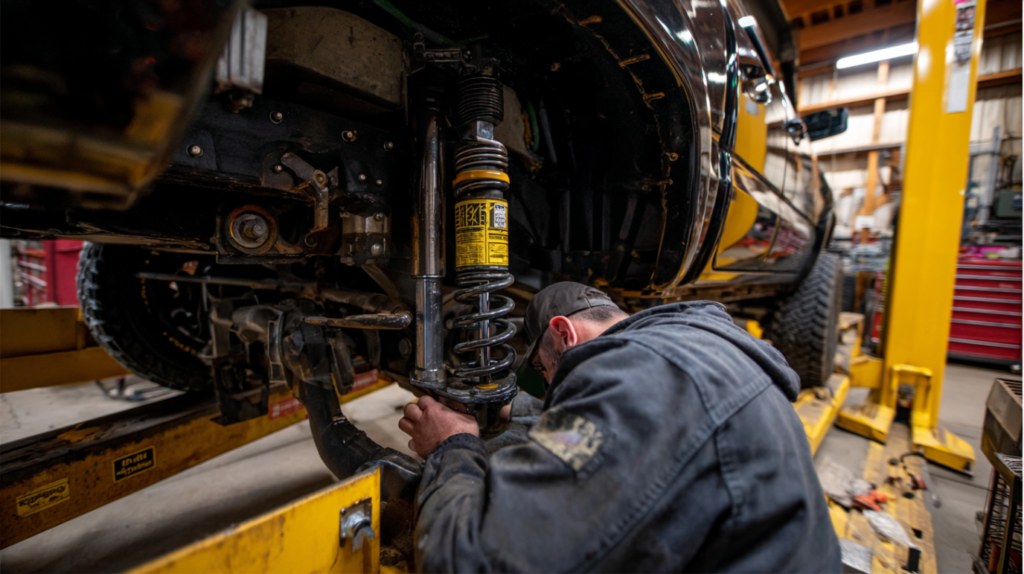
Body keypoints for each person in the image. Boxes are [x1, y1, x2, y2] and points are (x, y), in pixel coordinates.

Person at [399, 282, 842, 573]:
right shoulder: (682, 349)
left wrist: (451, 445)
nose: (548, 384)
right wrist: (510, 411)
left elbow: (465, 560)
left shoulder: (634, 381)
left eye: (542, 371)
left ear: (562, 334)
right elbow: (605, 429)